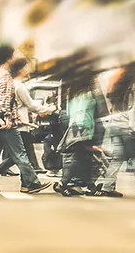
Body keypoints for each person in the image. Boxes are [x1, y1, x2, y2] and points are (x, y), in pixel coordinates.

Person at [0, 52, 51, 194]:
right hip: (6, 121)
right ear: (8, 59)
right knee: (20, 154)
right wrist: (8, 119)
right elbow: (5, 101)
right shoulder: (6, 77)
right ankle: (32, 183)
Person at [97, 61, 135, 197]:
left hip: (115, 125)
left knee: (117, 159)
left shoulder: (117, 87)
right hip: (128, 126)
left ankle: (107, 187)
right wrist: (134, 128)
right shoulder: (134, 87)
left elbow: (111, 108)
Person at [56, 65, 101, 196]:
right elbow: (82, 111)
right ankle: (62, 184)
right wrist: (81, 129)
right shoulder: (86, 94)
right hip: (82, 129)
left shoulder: (73, 93)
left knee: (85, 158)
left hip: (75, 127)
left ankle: (90, 185)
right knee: (78, 157)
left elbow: (70, 112)